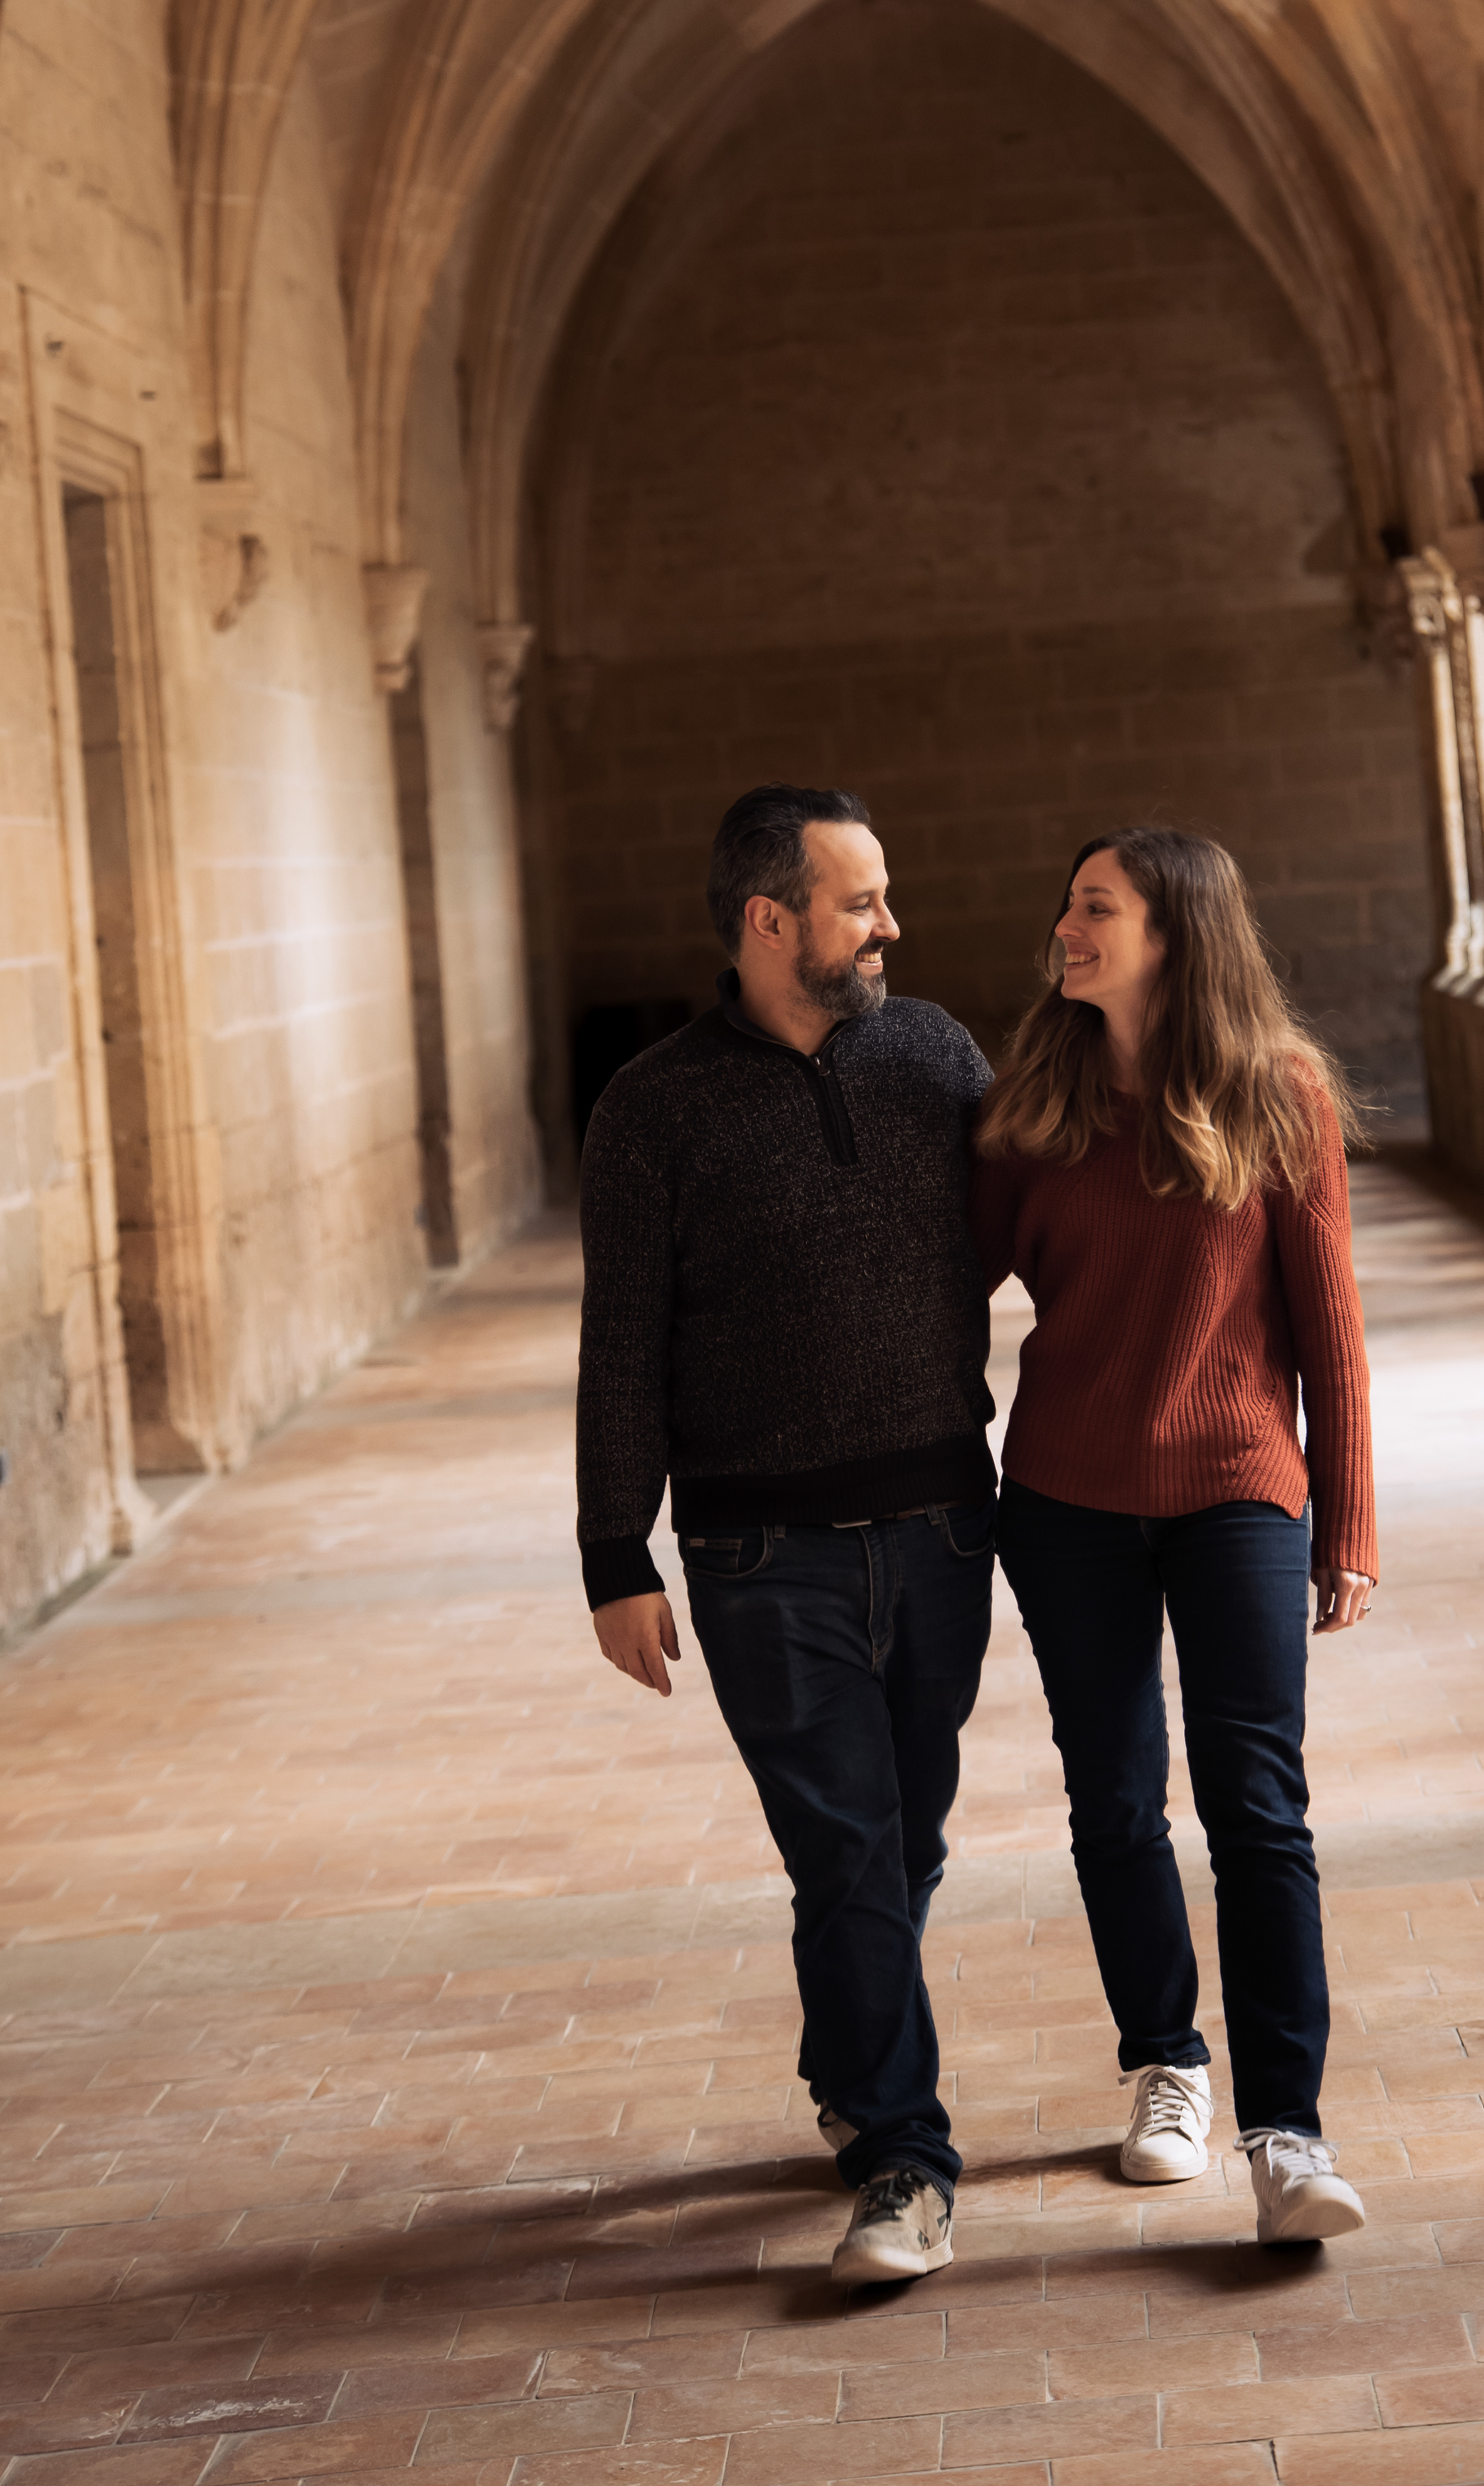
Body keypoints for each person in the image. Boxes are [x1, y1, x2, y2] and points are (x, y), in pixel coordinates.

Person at [578, 786, 996, 2286]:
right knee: (846, 1846)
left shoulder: (939, 1057)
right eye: (861, 901)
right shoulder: (653, 1111)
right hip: (763, 1556)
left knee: (908, 1838)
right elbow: (620, 1346)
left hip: (947, 1523)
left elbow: (1051, 1227)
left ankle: (848, 2057)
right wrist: (614, 1555)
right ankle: (905, 2157)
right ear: (771, 922)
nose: (893, 925)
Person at [974, 825, 1377, 2245]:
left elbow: (1331, 1326)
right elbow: (945, 1293)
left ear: (1173, 933)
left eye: (1096, 908)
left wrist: (1352, 1523)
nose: (1067, 929)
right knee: (1113, 1798)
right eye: (1070, 903)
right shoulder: (1035, 1107)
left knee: (1259, 1806)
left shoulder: (1280, 1094)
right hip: (1070, 1501)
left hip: (1239, 1492)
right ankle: (1166, 2065)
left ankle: (1288, 2132)